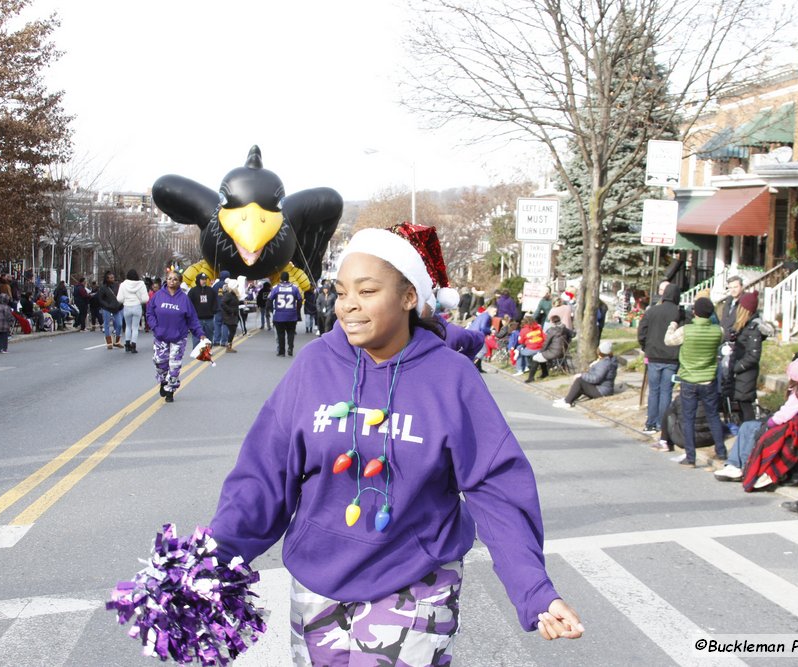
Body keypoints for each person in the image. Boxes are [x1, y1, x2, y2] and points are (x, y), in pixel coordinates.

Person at [208, 227, 584, 664]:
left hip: (414, 587)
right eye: (342, 291)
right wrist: (212, 561)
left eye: (367, 291)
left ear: (409, 297)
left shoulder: (451, 377)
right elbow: (263, 475)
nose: (348, 304)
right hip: (317, 585)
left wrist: (534, 590)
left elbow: (496, 488)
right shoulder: (313, 366)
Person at [715, 351, 798, 482]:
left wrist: (769, 422)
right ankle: (733, 465)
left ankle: (744, 466)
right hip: (792, 424)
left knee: (752, 428)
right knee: (747, 426)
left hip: (796, 429)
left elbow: (786, 414)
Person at [663, 296, 726, 467]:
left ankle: (690, 457)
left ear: (694, 312)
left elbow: (668, 340)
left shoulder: (686, 330)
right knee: (713, 416)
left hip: (689, 380)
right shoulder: (718, 331)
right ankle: (721, 451)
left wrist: (674, 323)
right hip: (708, 379)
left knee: (688, 418)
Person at [145, 271, 208, 403]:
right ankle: (163, 381)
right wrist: (155, 327)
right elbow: (149, 313)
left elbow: (192, 319)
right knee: (160, 363)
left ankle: (170, 390)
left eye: (175, 279)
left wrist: (200, 334)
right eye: (169, 279)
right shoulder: (158, 296)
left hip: (178, 338)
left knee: (174, 366)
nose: (171, 281)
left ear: (179, 282)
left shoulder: (184, 299)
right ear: (166, 280)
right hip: (161, 337)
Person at [638, 282, 682, 433]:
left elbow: (642, 331)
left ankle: (650, 422)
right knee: (666, 392)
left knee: (654, 391)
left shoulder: (652, 311)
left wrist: (646, 347)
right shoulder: (679, 313)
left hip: (654, 356)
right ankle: (662, 424)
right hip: (672, 357)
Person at [724, 291, 772, 423]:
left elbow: (754, 355)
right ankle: (743, 432)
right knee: (739, 403)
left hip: (746, 373)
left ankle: (749, 432)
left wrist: (736, 367)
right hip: (739, 372)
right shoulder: (744, 326)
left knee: (745, 405)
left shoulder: (753, 328)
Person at [553, 339, 618, 408]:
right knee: (581, 383)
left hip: (602, 391)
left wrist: (582, 375)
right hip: (603, 389)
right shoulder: (606, 361)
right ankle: (568, 399)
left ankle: (567, 402)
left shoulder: (604, 363)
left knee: (580, 381)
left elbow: (596, 378)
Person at [526, 315, 571, 383]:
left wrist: (540, 351)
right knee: (541, 357)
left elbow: (546, 343)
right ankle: (545, 373)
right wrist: (568, 341)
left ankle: (531, 378)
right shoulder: (565, 328)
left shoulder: (552, 330)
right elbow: (573, 334)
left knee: (536, 357)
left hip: (554, 352)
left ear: (552, 322)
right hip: (563, 352)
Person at [269, 271, 302, 357]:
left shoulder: (276, 288)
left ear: (280, 279)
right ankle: (290, 348)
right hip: (291, 314)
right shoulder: (294, 288)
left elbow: (269, 300)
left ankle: (282, 351)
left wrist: (273, 311)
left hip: (279, 315)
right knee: (291, 333)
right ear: (288, 278)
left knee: (280, 334)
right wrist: (297, 310)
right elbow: (299, 299)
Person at [117, 269, 149, 353]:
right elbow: (145, 299)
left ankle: (127, 345)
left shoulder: (123, 284)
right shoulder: (141, 284)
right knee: (135, 328)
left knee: (128, 326)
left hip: (127, 306)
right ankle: (133, 346)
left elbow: (119, 299)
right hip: (137, 306)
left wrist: (126, 300)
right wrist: (139, 301)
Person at [187, 272, 218, 348]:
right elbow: (188, 304)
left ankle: (207, 351)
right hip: (197, 319)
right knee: (197, 337)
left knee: (209, 337)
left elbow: (215, 301)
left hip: (209, 319)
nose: (204, 281)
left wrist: (214, 310)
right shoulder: (193, 291)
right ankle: (196, 352)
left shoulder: (211, 291)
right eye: (202, 279)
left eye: (205, 279)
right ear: (198, 280)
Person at [98, 271, 124, 350]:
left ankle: (117, 341)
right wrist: (106, 305)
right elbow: (100, 299)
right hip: (107, 308)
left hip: (117, 308)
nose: (113, 279)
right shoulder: (103, 288)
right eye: (111, 278)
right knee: (107, 324)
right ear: (107, 279)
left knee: (119, 324)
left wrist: (120, 303)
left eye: (113, 277)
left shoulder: (117, 286)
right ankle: (109, 342)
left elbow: (121, 295)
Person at [219, 280, 241, 352]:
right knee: (232, 331)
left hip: (233, 315)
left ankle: (229, 346)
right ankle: (228, 346)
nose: (237, 287)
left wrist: (242, 302)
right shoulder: (229, 294)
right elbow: (222, 303)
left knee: (233, 330)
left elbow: (234, 302)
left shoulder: (233, 294)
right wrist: (230, 311)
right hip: (230, 316)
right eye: (236, 286)